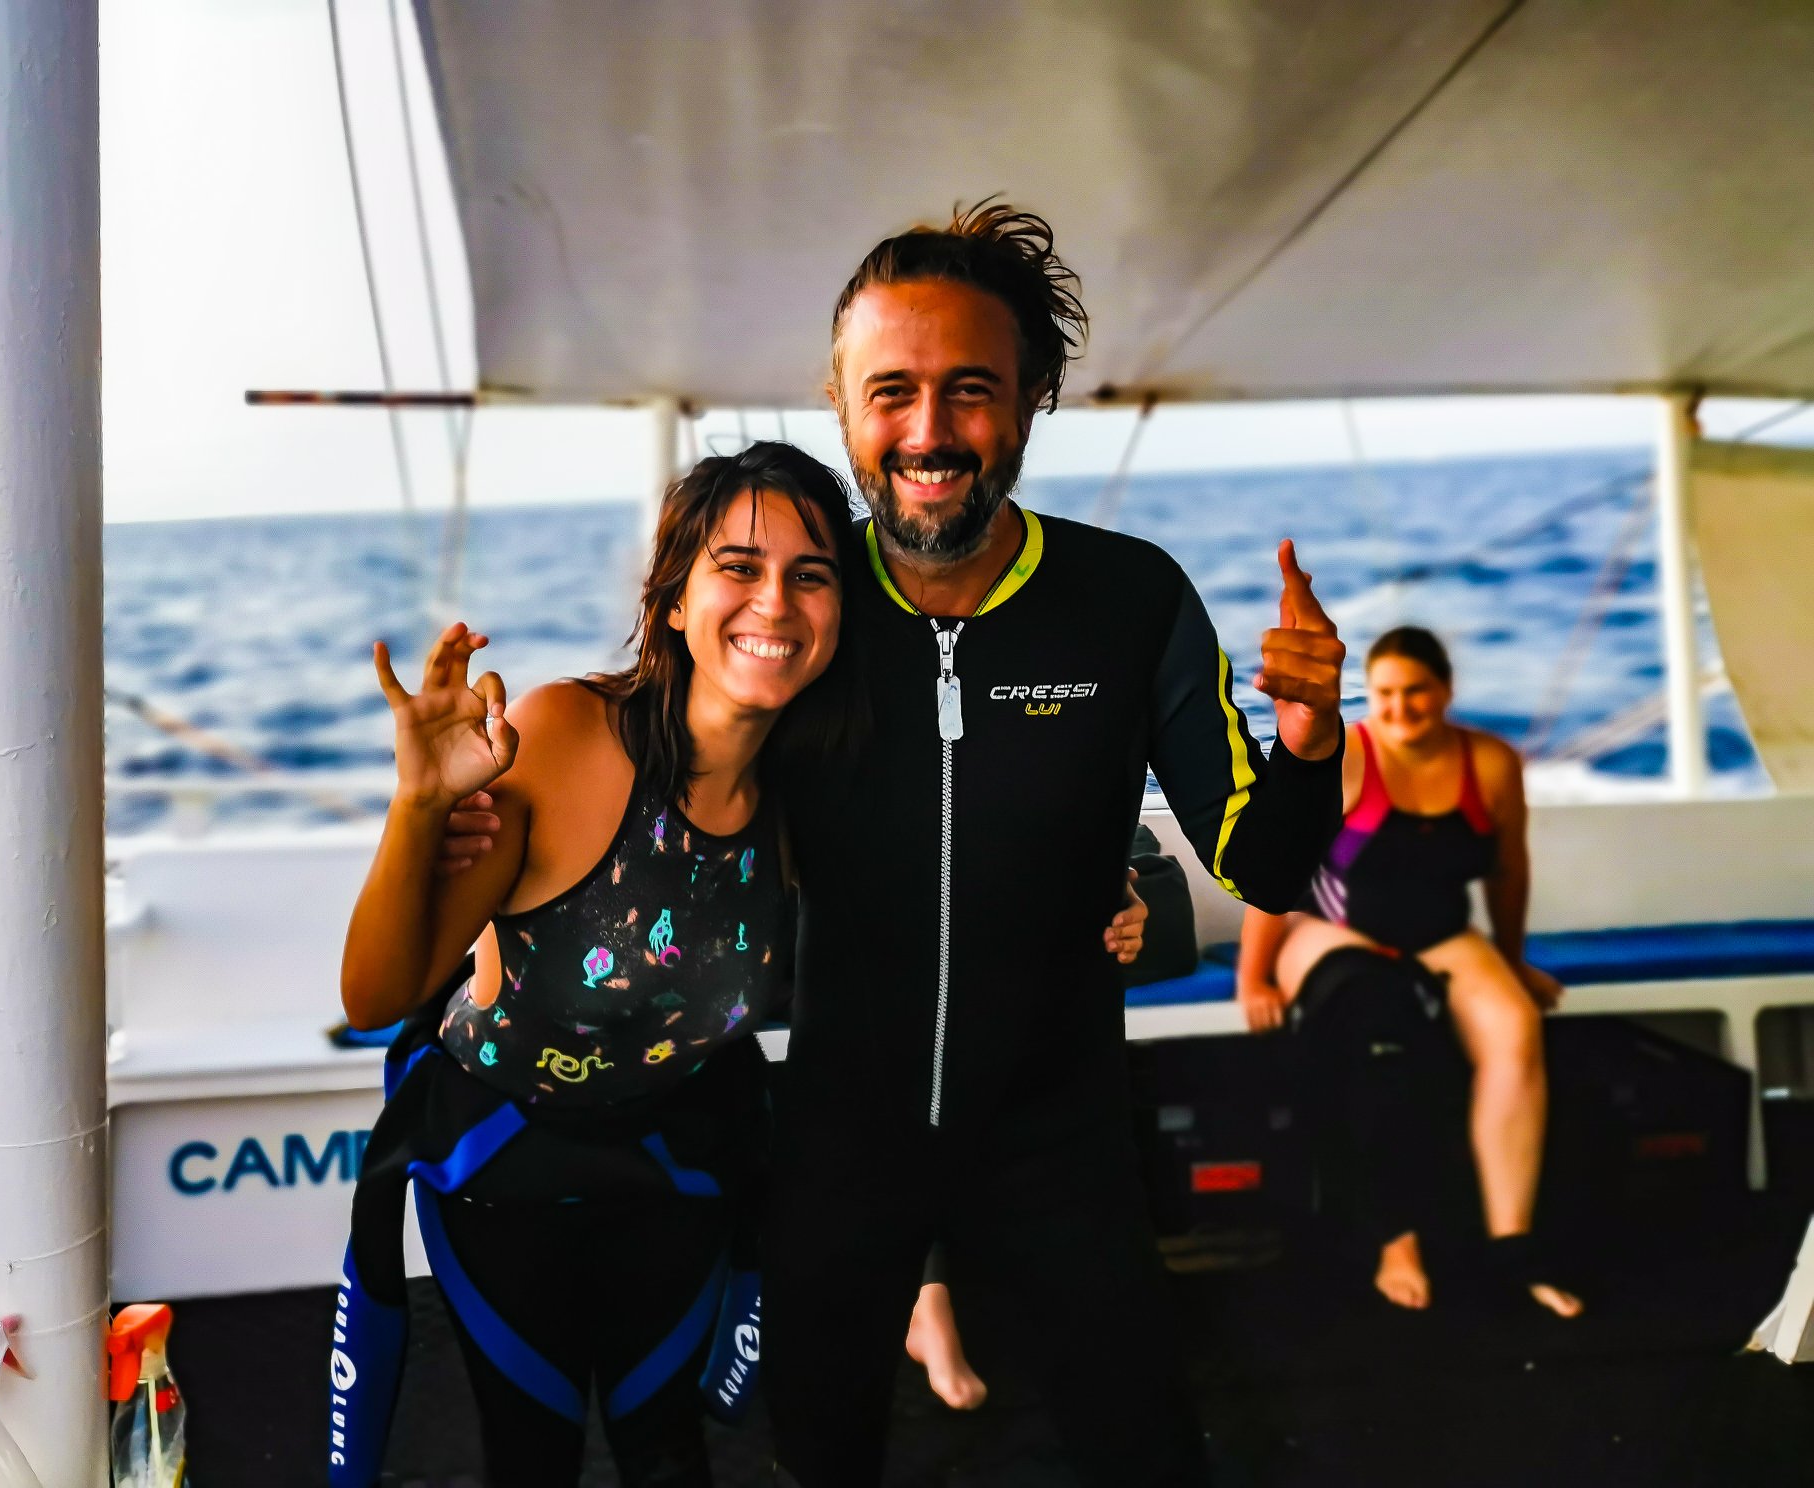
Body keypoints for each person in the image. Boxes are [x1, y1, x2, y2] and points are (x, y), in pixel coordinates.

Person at [334, 440, 1149, 1486]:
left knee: (672, 1453)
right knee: (529, 1458)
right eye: (738, 566)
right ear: (674, 599)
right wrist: (417, 807)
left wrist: (1108, 892)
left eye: (811, 575)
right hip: (502, 1163)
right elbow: (377, 996)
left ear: (841, 615)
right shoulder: (566, 736)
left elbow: (961, 896)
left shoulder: (819, 795)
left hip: (678, 1160)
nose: (775, 601)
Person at [757, 201, 1344, 1487]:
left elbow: (1261, 862)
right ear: (839, 403)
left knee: (1141, 1450)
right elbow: (670, 790)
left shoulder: (1128, 601)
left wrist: (1307, 741)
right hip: (839, 1137)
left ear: (1031, 399)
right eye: (890, 391)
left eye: (970, 390)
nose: (928, 431)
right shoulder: (792, 607)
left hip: (1059, 1139)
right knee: (818, 1452)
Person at [1235, 625, 1583, 1319]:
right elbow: (1277, 870)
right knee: (1382, 1029)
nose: (1401, 707)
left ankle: (1512, 1246)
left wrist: (1514, 962)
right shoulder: (1347, 756)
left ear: (1445, 690)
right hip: (1332, 931)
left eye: (1417, 691)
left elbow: (1508, 872)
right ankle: (1397, 1239)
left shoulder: (1490, 763)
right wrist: (1254, 978)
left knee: (1515, 1030)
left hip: (1441, 935)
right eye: (1386, 693)